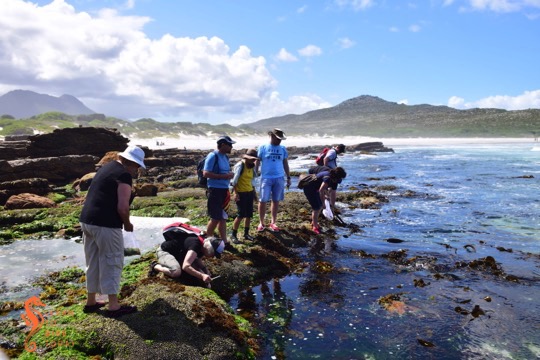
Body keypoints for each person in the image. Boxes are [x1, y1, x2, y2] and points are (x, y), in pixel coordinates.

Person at [79, 145, 145, 318]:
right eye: (137, 166)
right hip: (106, 224)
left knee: (92, 261)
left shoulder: (107, 167)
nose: (136, 170)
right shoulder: (123, 175)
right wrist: (127, 224)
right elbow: (122, 208)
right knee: (112, 261)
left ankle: (91, 301)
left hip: (87, 220)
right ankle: (113, 306)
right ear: (129, 162)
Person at [151, 235, 225, 288]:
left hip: (178, 255)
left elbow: (198, 259)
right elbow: (186, 266)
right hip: (165, 252)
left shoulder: (203, 247)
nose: (213, 257)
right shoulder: (195, 245)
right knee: (176, 272)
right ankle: (155, 266)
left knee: (199, 272)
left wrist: (205, 270)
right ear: (209, 248)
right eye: (213, 254)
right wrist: (202, 275)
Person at [256, 128, 291, 232]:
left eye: (281, 139)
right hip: (266, 178)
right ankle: (261, 223)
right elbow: (257, 161)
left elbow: (285, 163)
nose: (280, 141)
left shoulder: (283, 149)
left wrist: (288, 177)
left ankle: (273, 222)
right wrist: (254, 173)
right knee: (263, 200)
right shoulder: (263, 147)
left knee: (276, 201)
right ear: (271, 136)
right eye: (278, 138)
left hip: (279, 178)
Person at [203, 135, 235, 243]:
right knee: (215, 217)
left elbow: (224, 171)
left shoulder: (225, 157)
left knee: (223, 217)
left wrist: (229, 174)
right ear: (222, 145)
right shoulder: (213, 156)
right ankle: (208, 240)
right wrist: (223, 176)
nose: (231, 147)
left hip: (224, 190)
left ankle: (224, 241)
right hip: (214, 190)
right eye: (230, 145)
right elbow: (205, 173)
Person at [302, 166, 347, 234]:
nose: (340, 180)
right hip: (309, 188)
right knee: (317, 207)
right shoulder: (327, 178)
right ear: (336, 176)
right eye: (340, 178)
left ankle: (314, 222)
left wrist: (332, 205)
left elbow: (333, 192)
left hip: (316, 189)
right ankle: (315, 227)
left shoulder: (335, 180)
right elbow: (321, 190)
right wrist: (323, 203)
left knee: (319, 206)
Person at [230, 148, 259, 243]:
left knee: (249, 215)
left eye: (255, 159)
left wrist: (254, 195)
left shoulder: (252, 166)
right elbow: (234, 181)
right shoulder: (240, 166)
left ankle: (246, 234)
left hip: (249, 192)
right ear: (247, 158)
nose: (254, 161)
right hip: (241, 193)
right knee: (240, 215)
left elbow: (252, 181)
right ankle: (233, 235)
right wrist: (235, 193)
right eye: (252, 159)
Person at [323, 144, 346, 208]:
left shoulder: (332, 151)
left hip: (331, 171)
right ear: (337, 147)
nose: (340, 152)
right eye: (340, 151)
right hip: (331, 172)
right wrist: (326, 169)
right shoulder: (333, 152)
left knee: (330, 188)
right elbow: (325, 159)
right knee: (333, 188)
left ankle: (328, 202)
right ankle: (331, 205)